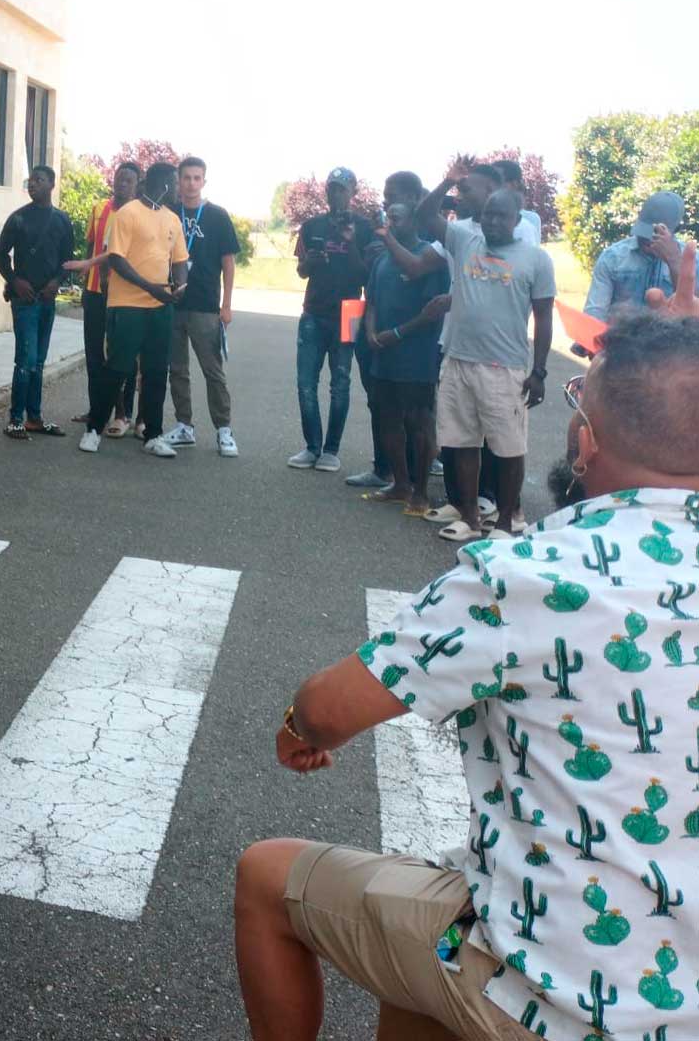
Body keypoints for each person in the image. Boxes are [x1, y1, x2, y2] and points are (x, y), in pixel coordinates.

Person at [234, 308, 699, 1041]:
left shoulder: (533, 574)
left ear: (585, 441)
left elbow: (326, 708)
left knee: (266, 876)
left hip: (553, 995)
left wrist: (297, 731)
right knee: (425, 944)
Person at [416, 162, 556, 539]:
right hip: (459, 360)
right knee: (461, 443)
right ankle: (470, 518)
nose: (493, 222)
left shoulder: (536, 259)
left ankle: (508, 521)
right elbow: (423, 214)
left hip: (504, 366)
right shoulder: (464, 239)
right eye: (489, 214)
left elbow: (543, 319)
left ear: (516, 219)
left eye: (501, 216)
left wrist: (539, 371)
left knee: (508, 448)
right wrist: (447, 180)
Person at [67, 161, 188, 459]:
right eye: (175, 182)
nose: (179, 188)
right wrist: (151, 288)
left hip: (161, 307)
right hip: (127, 305)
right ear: (163, 184)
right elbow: (117, 259)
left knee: (157, 371)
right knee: (118, 369)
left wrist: (179, 287)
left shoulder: (173, 219)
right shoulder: (128, 213)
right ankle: (94, 429)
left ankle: (153, 434)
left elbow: (179, 261)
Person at [359, 189, 449, 515]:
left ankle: (421, 493)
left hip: (416, 355)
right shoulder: (382, 259)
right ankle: (400, 484)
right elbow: (370, 301)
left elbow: (431, 312)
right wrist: (370, 332)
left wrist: (397, 333)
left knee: (419, 421)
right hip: (383, 353)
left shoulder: (427, 259)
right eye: (388, 217)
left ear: (414, 221)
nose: (389, 222)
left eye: (396, 218)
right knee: (387, 418)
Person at [288, 167, 374, 472]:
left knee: (340, 382)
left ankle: (331, 450)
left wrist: (350, 243)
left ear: (353, 192)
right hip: (313, 309)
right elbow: (301, 270)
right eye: (331, 188)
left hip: (350, 310)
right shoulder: (311, 226)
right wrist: (310, 261)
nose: (335, 193)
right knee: (305, 383)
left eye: (341, 188)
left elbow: (366, 276)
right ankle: (312, 447)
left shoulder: (364, 228)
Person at [163, 156, 239, 457]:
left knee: (213, 371)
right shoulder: (169, 214)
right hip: (172, 303)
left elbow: (228, 263)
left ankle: (224, 430)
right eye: (186, 178)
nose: (191, 183)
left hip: (206, 306)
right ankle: (184, 426)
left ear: (204, 182)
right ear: (178, 181)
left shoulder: (217, 216)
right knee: (177, 369)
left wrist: (227, 304)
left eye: (197, 178)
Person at [0, 164, 74, 440]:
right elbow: (0, 255)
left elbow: (67, 260)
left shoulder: (62, 220)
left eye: (39, 180)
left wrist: (57, 281)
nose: (32, 184)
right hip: (24, 300)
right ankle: (16, 419)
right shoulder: (18, 219)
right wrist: (14, 280)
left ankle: (34, 417)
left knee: (39, 360)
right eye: (30, 180)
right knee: (25, 359)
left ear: (52, 184)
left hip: (47, 299)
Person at [78, 162, 140, 439]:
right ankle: (95, 410)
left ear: (137, 185)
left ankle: (122, 413)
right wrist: (84, 282)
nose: (123, 184)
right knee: (93, 354)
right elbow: (92, 246)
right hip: (94, 293)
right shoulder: (98, 209)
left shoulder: (139, 214)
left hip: (124, 296)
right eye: (120, 178)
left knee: (121, 355)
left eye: (129, 180)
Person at [582, 190, 682, 323]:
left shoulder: (694, 263)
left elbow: (693, 319)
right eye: (644, 231)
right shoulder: (613, 258)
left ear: (675, 230)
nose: (647, 240)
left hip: (673, 342)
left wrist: (674, 262)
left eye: (655, 233)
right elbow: (594, 315)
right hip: (619, 339)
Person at [491, 158, 542, 243]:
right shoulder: (484, 217)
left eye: (496, 181)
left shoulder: (530, 219)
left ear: (514, 184)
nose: (491, 186)